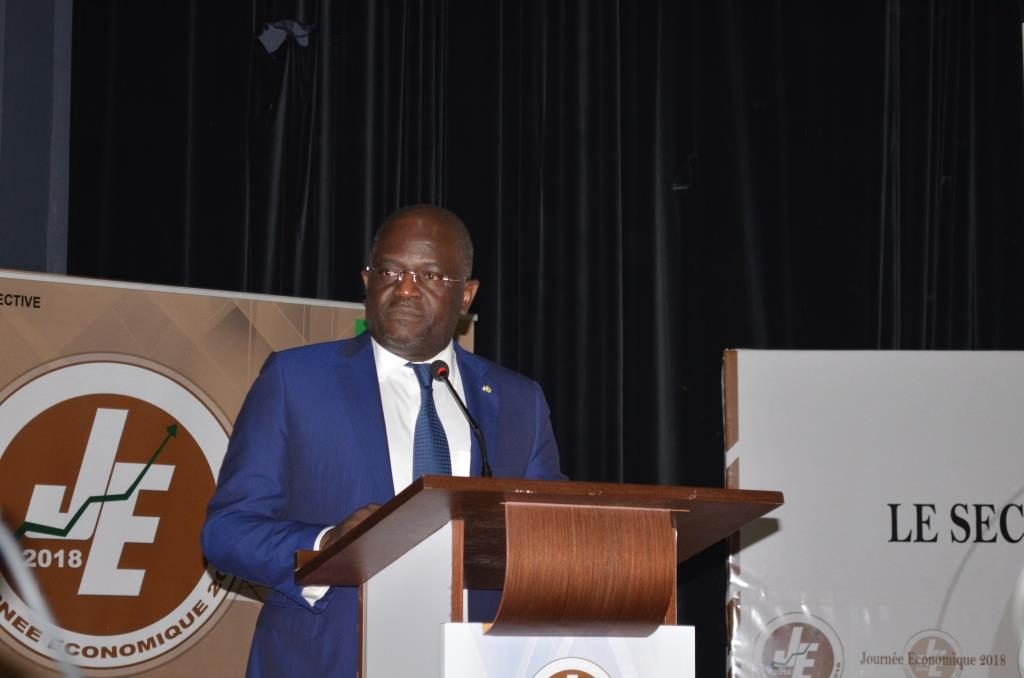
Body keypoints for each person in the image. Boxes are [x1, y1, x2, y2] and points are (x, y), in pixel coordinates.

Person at [201, 205, 564, 677]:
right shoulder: (296, 380)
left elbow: (550, 536)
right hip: (330, 659)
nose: (406, 289)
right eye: (390, 271)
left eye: (430, 275)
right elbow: (226, 531)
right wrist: (328, 545)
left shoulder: (518, 402)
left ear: (466, 295)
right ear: (367, 281)